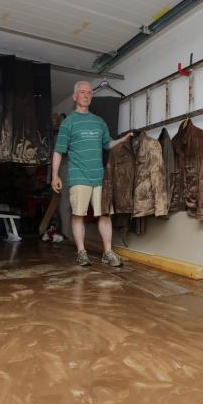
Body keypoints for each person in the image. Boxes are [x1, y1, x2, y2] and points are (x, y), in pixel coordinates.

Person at [52, 81, 133, 266]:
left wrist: (123, 140)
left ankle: (107, 253)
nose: (86, 95)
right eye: (82, 92)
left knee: (104, 215)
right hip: (79, 176)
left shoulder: (99, 122)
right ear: (75, 96)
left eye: (89, 92)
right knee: (78, 214)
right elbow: (58, 151)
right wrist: (54, 175)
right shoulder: (68, 122)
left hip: (99, 177)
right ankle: (81, 252)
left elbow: (108, 145)